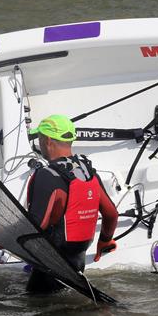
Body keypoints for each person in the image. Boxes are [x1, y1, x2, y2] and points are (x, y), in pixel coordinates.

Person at [25, 114, 119, 293]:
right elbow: (111, 214)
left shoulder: (47, 175)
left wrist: (0, 236)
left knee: (37, 309)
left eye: (39, 138)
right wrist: (104, 241)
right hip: (77, 264)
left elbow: (35, 225)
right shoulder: (88, 173)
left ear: (48, 140)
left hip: (50, 268)